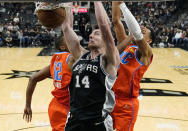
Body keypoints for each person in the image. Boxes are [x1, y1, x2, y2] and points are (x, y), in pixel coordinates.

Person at [62, 2, 120, 131]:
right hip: (75, 121)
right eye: (91, 34)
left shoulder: (108, 59)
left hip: (98, 124)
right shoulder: (80, 55)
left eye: (96, 34)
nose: (91, 35)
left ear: (106, 40)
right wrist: (67, 3)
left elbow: (105, 26)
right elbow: (66, 27)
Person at [111, 2, 154, 131]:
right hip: (110, 98)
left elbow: (137, 34)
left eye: (145, 31)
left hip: (126, 104)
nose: (141, 29)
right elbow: (116, 21)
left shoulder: (146, 53)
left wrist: (123, 5)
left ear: (149, 41)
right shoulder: (127, 45)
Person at [23, 36, 74, 131]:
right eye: (69, 39)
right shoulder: (71, 58)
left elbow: (32, 79)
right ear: (62, 47)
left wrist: (27, 105)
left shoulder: (55, 61)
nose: (73, 40)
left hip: (55, 106)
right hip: (66, 107)